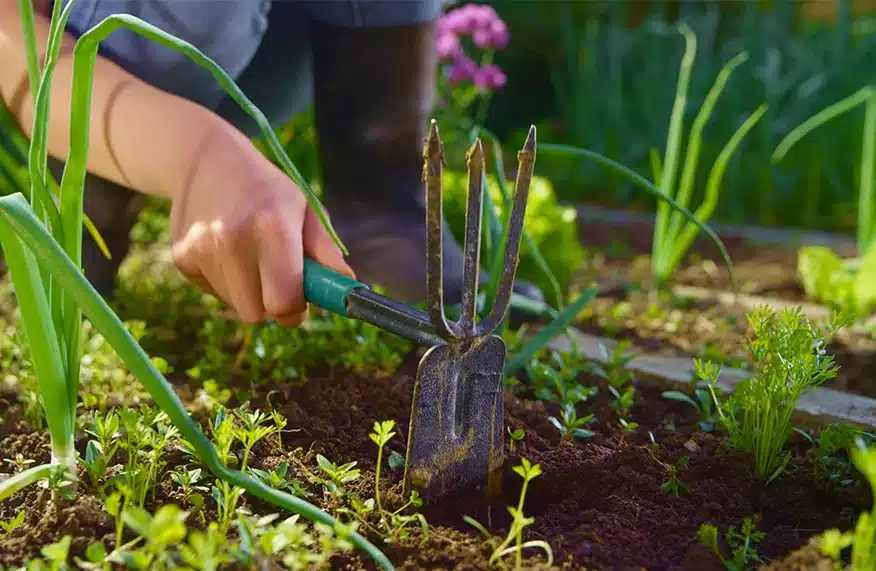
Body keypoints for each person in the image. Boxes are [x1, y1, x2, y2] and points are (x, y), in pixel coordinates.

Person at [0, 0, 543, 328]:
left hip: (283, 48)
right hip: (99, 76)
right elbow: (14, 44)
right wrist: (198, 156)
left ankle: (380, 208)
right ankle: (90, 211)